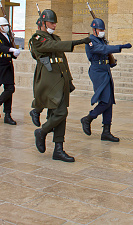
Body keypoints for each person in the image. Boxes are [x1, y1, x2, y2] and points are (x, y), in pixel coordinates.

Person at [29, 9, 91, 162]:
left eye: (55, 23)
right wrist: (78, 42)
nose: (54, 25)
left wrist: (68, 80)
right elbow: (53, 47)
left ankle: (58, 149)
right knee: (61, 112)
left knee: (60, 115)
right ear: (43, 23)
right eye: (51, 22)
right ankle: (42, 132)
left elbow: (62, 60)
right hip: (49, 82)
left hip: (60, 80)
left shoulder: (54, 38)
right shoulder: (37, 39)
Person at [80, 18, 132, 142]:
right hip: (97, 71)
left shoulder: (100, 40)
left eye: (103, 29)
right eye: (100, 29)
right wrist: (120, 47)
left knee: (109, 100)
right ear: (94, 30)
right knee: (105, 101)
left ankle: (106, 131)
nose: (102, 31)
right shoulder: (91, 41)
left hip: (105, 69)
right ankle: (88, 118)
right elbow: (102, 50)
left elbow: (105, 52)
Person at [0, 17, 21, 125]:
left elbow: (10, 50)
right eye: (4, 25)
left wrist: (14, 53)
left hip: (8, 64)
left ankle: (7, 115)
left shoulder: (8, 36)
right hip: (0, 65)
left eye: (7, 25)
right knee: (10, 89)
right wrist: (10, 49)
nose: (6, 27)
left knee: (10, 89)